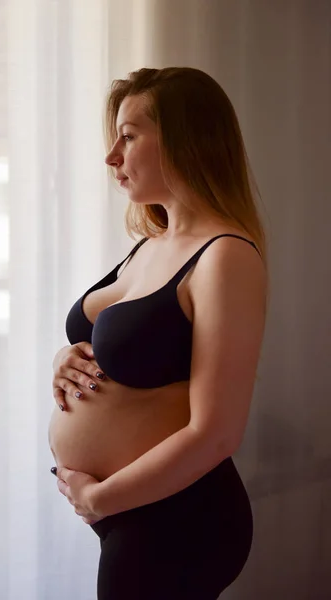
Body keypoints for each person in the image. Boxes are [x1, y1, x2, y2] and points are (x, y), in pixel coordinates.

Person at [49, 66, 268, 600]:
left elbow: (216, 433)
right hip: (131, 513)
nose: (111, 156)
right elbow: (116, 340)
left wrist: (101, 499)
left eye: (128, 135)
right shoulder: (152, 243)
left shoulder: (225, 257)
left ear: (185, 138)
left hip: (178, 518)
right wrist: (65, 356)